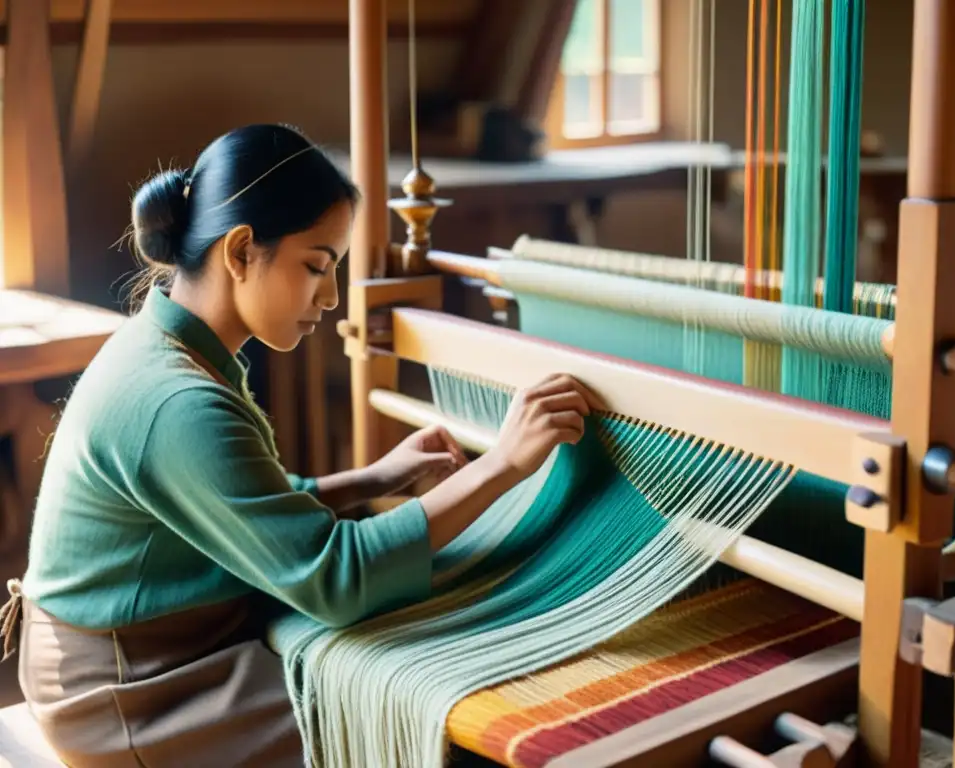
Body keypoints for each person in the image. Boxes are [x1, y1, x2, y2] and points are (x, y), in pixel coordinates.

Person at [0, 123, 598, 767]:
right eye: (316, 265)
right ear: (240, 252)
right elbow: (337, 580)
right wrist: (505, 464)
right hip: (135, 694)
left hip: (151, 656)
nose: (332, 295)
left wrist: (373, 479)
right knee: (416, 723)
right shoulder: (178, 400)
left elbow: (254, 510)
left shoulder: (173, 351)